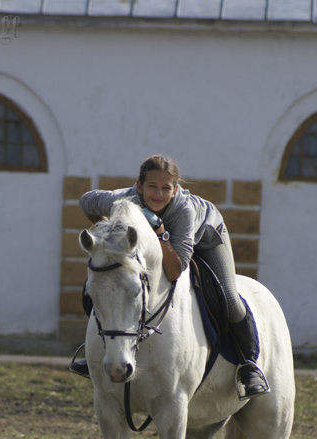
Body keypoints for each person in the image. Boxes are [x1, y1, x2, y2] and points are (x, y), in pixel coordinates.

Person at [70, 155, 268, 398]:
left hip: (207, 238)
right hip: (159, 243)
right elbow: (86, 202)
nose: (158, 194)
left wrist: (160, 232)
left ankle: (249, 365)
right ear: (139, 186)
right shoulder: (125, 200)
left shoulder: (184, 210)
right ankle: (98, 351)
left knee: (229, 298)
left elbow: (175, 270)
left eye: (166, 188)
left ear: (175, 190)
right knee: (108, 286)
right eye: (152, 187)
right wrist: (110, 231)